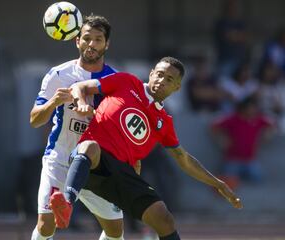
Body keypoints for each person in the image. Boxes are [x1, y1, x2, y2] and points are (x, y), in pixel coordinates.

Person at [49, 57, 243, 240]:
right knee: (89, 146)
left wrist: (218, 184)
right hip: (93, 160)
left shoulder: (164, 122)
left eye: (169, 79)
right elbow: (80, 87)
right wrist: (81, 103)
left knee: (164, 218)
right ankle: (66, 203)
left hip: (124, 174)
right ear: (151, 74)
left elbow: (184, 159)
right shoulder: (127, 82)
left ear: (177, 87)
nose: (161, 81)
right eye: (159, 74)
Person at [29, 14, 125, 240]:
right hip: (60, 159)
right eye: (87, 38)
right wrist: (54, 102)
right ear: (77, 41)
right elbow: (34, 119)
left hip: (97, 164)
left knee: (115, 230)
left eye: (98, 39)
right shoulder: (58, 75)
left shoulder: (115, 80)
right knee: (46, 225)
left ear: (107, 44)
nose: (91, 44)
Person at [211, 95, 275, 184]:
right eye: (251, 108)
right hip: (233, 160)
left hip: (250, 160)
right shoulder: (233, 118)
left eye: (255, 108)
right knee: (228, 184)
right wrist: (221, 139)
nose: (253, 110)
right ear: (243, 108)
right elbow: (214, 125)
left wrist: (268, 134)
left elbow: (273, 124)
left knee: (259, 181)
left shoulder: (259, 119)